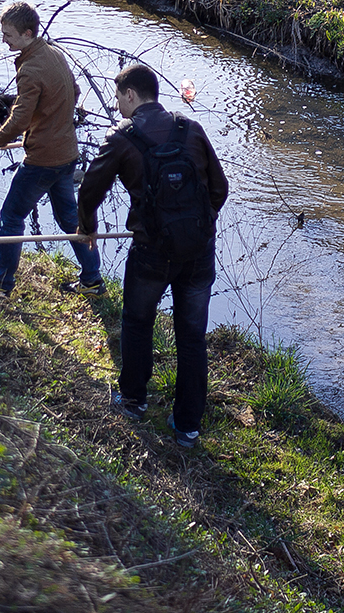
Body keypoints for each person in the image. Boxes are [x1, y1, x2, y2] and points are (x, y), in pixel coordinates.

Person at [78, 63, 228, 448]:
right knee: (192, 337)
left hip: (151, 252)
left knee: (138, 321)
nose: (117, 106)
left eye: (118, 98)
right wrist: (200, 222)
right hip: (199, 251)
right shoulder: (190, 128)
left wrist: (87, 226)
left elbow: (91, 187)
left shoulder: (121, 137)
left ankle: (133, 400)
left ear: (131, 94)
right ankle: (188, 426)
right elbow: (220, 188)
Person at [0, 1, 103, 296]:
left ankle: (0, 283)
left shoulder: (31, 69)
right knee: (71, 219)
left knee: (11, 217)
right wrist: (51, 123)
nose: (4, 40)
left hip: (42, 161)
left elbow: (20, 118)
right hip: (68, 153)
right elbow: (74, 91)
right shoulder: (54, 53)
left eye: (8, 35)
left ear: (28, 33)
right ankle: (92, 280)